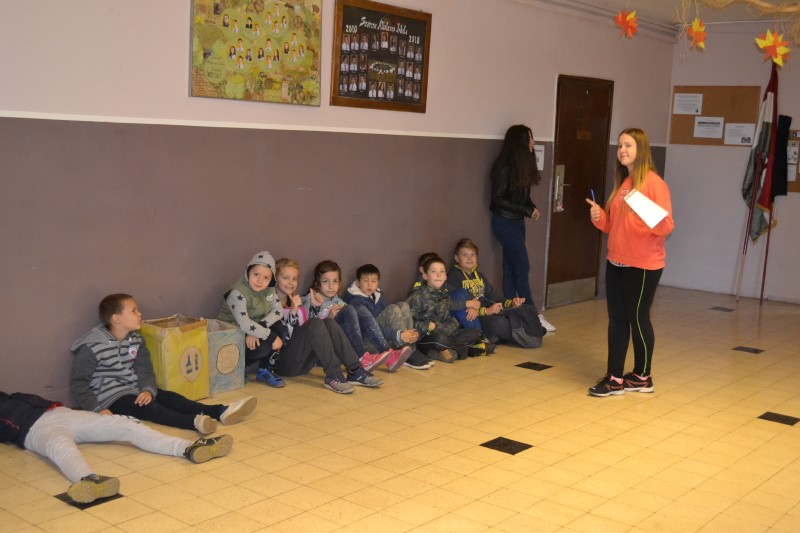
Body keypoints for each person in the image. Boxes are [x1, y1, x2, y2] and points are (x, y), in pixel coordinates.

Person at [1, 391, 233, 504]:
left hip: (64, 413)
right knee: (61, 449)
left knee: (125, 425)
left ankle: (189, 447)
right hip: (34, 429)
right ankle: (89, 480)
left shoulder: (11, 396)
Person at [70, 294, 257, 434]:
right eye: (133, 311)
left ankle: (221, 411)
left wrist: (147, 390)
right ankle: (194, 422)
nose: (140, 314)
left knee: (172, 398)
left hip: (134, 389)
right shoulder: (92, 347)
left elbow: (144, 371)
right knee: (151, 409)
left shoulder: (136, 340)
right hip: (111, 398)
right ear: (116, 319)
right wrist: (99, 409)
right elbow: (79, 384)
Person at [586, 128, 674, 397]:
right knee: (617, 319)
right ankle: (614, 378)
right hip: (616, 261)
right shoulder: (624, 182)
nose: (622, 150)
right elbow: (613, 226)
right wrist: (599, 216)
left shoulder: (654, 183)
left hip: (644, 265)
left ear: (641, 149)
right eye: (620, 145)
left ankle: (642, 376)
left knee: (638, 318)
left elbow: (666, 226)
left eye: (628, 145)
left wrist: (642, 206)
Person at [273, 258, 383, 393]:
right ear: (275, 279)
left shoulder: (296, 301)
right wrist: (293, 312)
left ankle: (355, 369)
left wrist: (315, 308)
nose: (291, 282)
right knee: (315, 322)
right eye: (285, 278)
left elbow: (310, 335)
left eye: (294, 279)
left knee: (328, 322)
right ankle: (333, 375)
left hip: (304, 364)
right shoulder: (270, 303)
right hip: (282, 365)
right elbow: (283, 340)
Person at [489, 124, 555, 332]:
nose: (533, 142)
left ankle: (513, 313)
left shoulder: (521, 166)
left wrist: (531, 208)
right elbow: (497, 200)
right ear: (520, 142)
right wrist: (525, 209)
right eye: (529, 139)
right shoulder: (504, 167)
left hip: (516, 222)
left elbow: (521, 197)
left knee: (510, 267)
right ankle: (532, 314)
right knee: (522, 266)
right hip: (504, 223)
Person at [302, 260, 408, 370]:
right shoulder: (310, 300)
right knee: (354, 308)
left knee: (353, 309)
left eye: (335, 281)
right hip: (322, 355)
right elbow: (309, 330)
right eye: (325, 281)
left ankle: (384, 355)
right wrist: (330, 318)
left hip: (344, 353)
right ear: (317, 283)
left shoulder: (339, 302)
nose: (331, 286)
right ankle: (362, 357)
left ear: (339, 283)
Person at [446, 238, 544, 348]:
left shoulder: (480, 276)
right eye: (465, 255)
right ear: (456, 258)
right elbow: (457, 305)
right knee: (499, 323)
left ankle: (525, 332)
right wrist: (486, 311)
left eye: (473, 255)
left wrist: (511, 302)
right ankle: (527, 334)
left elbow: (492, 295)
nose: (470, 258)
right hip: (476, 317)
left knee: (519, 311)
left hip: (490, 310)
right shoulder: (453, 277)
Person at [218, 251, 286, 388]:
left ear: (271, 279)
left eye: (266, 277)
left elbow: (279, 311)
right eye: (256, 274)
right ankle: (238, 367)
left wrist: (260, 326)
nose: (260, 281)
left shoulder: (269, 290)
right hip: (233, 333)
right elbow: (244, 324)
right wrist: (271, 336)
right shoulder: (237, 293)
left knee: (280, 327)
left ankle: (265, 370)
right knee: (265, 345)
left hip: (252, 328)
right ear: (248, 271)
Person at [344, 263, 427, 370]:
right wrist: (398, 335)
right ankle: (404, 350)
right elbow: (369, 327)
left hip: (385, 338)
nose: (370, 285)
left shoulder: (379, 295)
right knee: (392, 309)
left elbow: (387, 322)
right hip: (369, 343)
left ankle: (409, 348)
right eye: (365, 281)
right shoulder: (354, 300)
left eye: (374, 281)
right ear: (358, 282)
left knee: (403, 305)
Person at [407, 256, 481, 362]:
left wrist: (450, 326)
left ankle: (441, 352)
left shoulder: (445, 295)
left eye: (442, 271)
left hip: (446, 333)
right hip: (427, 336)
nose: (438, 275)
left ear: (446, 276)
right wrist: (428, 326)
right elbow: (409, 322)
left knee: (474, 333)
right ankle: (465, 350)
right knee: (439, 339)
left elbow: (449, 317)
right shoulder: (417, 295)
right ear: (425, 275)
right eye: (434, 271)